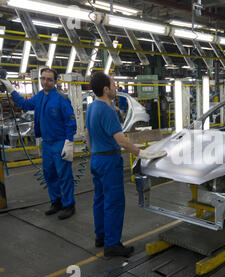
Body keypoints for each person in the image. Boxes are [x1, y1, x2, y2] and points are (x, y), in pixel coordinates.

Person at [86, 72, 166, 257]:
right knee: (113, 202)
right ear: (106, 89)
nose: (116, 88)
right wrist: (143, 153)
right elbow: (121, 141)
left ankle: (101, 237)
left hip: (96, 159)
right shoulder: (108, 111)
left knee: (99, 199)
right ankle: (112, 245)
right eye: (113, 85)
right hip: (108, 161)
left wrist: (94, 151)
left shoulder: (91, 107)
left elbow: (88, 133)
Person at [0, 68, 77, 219]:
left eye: (49, 79)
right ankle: (56, 202)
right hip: (46, 144)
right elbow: (25, 105)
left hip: (60, 142)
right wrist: (10, 89)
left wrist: (69, 142)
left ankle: (69, 205)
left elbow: (70, 121)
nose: (45, 82)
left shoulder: (61, 99)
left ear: (55, 82)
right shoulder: (39, 96)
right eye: (43, 78)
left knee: (64, 175)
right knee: (49, 174)